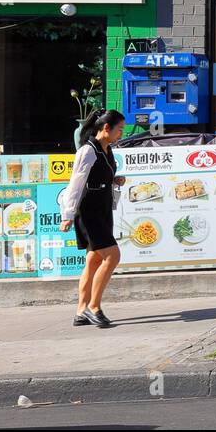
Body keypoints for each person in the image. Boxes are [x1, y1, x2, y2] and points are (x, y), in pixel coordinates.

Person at [59, 108, 127, 327]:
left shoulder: (106, 149)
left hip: (103, 209)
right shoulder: (87, 151)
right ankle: (93, 307)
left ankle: (81, 311)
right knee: (112, 256)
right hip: (89, 212)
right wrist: (67, 215)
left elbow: (97, 176)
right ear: (106, 128)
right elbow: (76, 184)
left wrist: (114, 180)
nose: (121, 134)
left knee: (94, 259)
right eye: (119, 129)